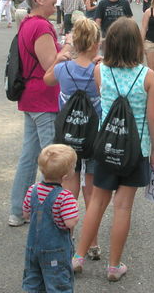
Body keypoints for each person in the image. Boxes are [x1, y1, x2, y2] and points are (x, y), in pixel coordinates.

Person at [73, 17, 154, 282]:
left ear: (108, 44)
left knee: (97, 201)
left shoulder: (100, 71)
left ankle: (77, 256)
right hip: (136, 150)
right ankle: (113, 266)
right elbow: (153, 119)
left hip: (106, 145)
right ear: (137, 45)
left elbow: (104, 99)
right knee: (123, 207)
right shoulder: (148, 77)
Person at [8, 0, 74, 227]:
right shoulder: (41, 27)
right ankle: (51, 215)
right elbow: (51, 66)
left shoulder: (28, 23)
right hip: (43, 98)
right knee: (53, 161)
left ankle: (18, 210)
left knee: (29, 156)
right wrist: (67, 46)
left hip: (31, 97)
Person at [44, 17, 102, 261]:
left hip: (68, 134)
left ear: (76, 42)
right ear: (96, 44)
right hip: (94, 134)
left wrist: (59, 57)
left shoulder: (63, 68)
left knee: (69, 187)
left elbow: (47, 80)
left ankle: (66, 237)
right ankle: (92, 243)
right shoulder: (99, 69)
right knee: (92, 191)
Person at [21, 144, 79, 293]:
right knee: (58, 284)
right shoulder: (65, 196)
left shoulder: (32, 190)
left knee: (33, 282)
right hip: (56, 250)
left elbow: (26, 214)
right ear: (65, 176)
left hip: (32, 248)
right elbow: (70, 222)